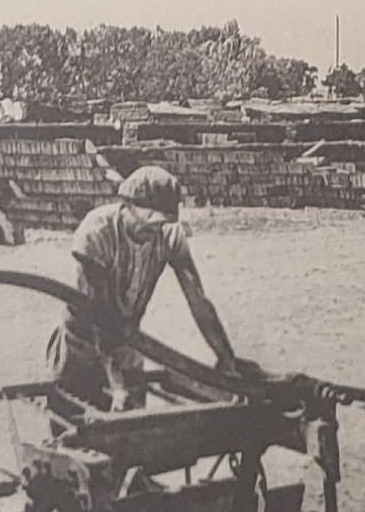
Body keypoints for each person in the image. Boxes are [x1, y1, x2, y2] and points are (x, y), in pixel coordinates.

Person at [48, 165, 248, 411]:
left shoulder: (169, 235)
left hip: (128, 346)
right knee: (77, 431)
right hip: (82, 348)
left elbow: (198, 300)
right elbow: (97, 315)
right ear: (127, 207)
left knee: (133, 436)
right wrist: (116, 383)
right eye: (149, 222)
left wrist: (226, 360)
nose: (155, 230)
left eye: (161, 224)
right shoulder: (96, 233)